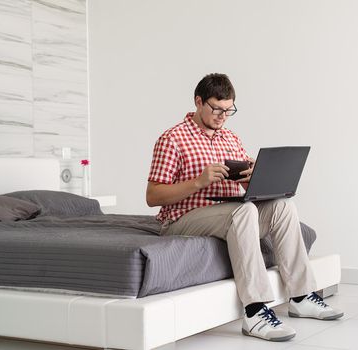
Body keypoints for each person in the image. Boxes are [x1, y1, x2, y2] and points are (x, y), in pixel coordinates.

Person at [146, 73, 342, 342]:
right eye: (216, 109)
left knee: (282, 206)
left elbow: (243, 185)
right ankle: (255, 311)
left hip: (229, 213)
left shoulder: (230, 138)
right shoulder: (172, 139)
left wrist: (253, 179)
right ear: (198, 101)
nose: (221, 116)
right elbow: (153, 195)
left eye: (228, 111)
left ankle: (301, 296)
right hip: (183, 218)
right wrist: (198, 182)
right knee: (244, 211)